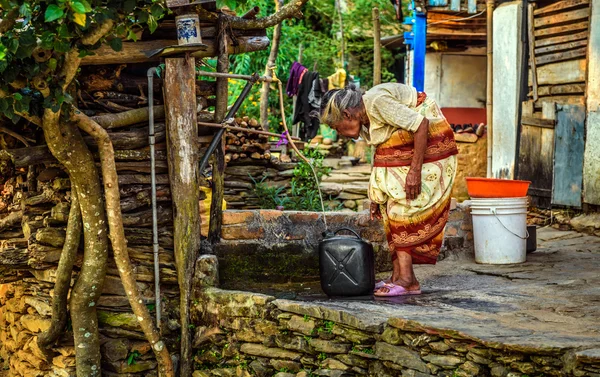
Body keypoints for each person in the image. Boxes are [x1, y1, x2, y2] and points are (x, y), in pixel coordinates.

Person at [319, 83, 458, 297]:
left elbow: (421, 125)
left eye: (337, 127)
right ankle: (400, 277)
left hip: (431, 139)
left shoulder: (376, 103)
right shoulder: (366, 120)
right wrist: (377, 193)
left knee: (399, 209)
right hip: (410, 144)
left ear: (347, 114)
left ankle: (406, 280)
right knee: (387, 207)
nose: (339, 133)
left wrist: (414, 171)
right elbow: (382, 155)